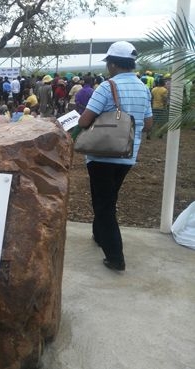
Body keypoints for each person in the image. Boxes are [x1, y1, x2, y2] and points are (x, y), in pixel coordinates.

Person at [78, 41, 153, 272]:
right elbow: (148, 124)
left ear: (112, 64)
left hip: (102, 155)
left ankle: (115, 257)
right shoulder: (144, 88)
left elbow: (84, 121)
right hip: (127, 155)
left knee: (104, 206)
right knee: (108, 199)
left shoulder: (106, 87)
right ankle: (99, 235)